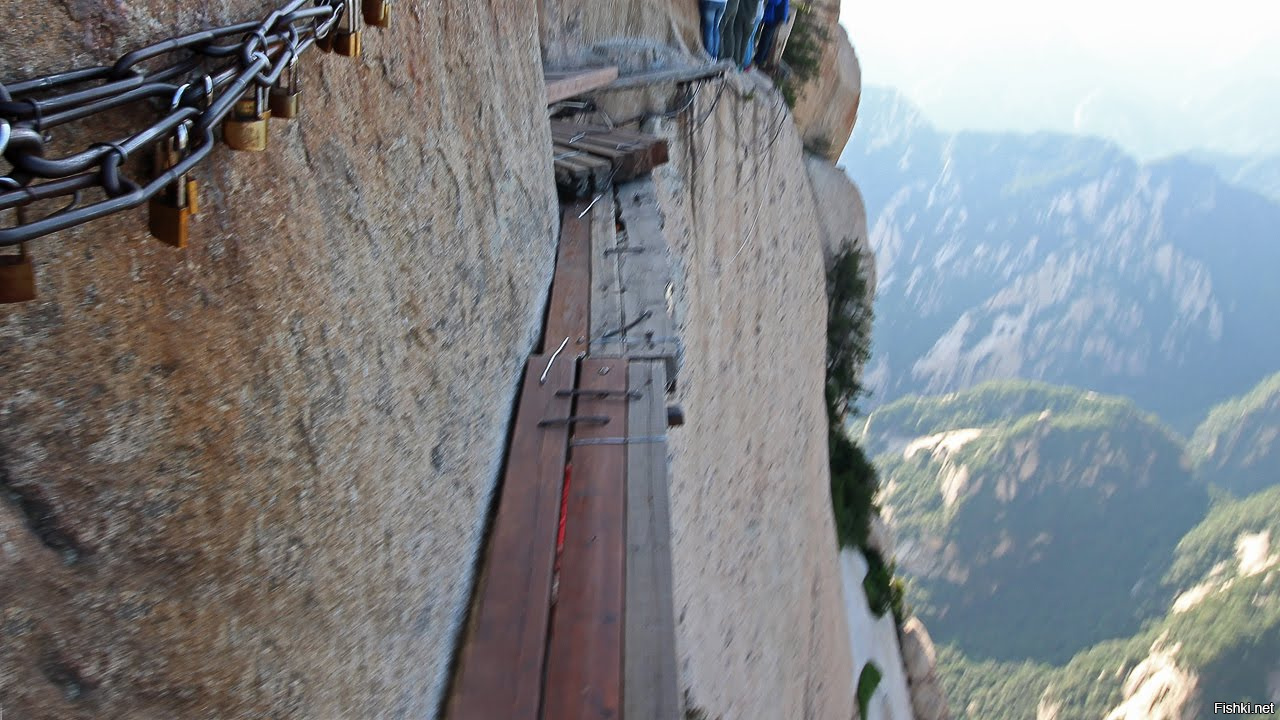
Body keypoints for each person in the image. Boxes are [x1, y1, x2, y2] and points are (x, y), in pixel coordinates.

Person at [754, 0, 788, 70]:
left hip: (774, 17)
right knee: (768, 39)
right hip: (776, 16)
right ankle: (763, 59)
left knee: (765, 39)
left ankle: (759, 60)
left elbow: (775, 2)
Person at [736, 0, 764, 67]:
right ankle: (747, 62)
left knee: (746, 39)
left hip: (753, 13)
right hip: (759, 13)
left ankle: (744, 62)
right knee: (750, 39)